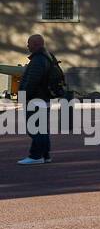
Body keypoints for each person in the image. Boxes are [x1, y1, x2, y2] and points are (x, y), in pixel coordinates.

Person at [17, 35, 58, 165]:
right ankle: (45, 155)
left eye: (29, 44)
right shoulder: (46, 57)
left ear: (36, 44)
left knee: (35, 128)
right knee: (41, 128)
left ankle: (36, 155)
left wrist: (23, 95)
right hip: (42, 98)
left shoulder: (38, 60)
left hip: (36, 99)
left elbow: (32, 81)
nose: (27, 46)